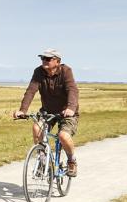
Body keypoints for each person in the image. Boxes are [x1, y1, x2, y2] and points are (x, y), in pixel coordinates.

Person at [13, 49, 79, 177]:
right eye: (42, 58)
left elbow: (72, 90)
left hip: (66, 113)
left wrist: (71, 108)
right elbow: (31, 91)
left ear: (57, 61)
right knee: (36, 128)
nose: (44, 60)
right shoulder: (39, 72)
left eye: (48, 59)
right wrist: (22, 110)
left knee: (63, 136)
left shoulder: (66, 71)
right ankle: (42, 161)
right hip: (48, 111)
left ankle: (71, 161)